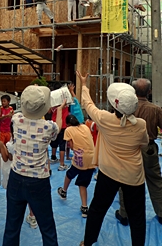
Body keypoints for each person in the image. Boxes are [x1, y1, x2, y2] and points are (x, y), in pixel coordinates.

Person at [76, 71, 149, 246]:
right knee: (137, 217)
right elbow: (144, 143)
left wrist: (84, 85)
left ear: (115, 106)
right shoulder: (140, 125)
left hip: (108, 172)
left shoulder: (104, 119)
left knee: (97, 210)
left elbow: (88, 104)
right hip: (133, 176)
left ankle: (88, 242)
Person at [2, 85, 65, 246]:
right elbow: (57, 127)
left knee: (11, 227)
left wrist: (33, 93)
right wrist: (60, 109)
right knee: (47, 228)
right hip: (38, 181)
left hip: (16, 178)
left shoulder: (16, 119)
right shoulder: (48, 127)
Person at [115, 78, 162, 226]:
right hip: (148, 148)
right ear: (149, 91)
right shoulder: (155, 109)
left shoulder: (124, 109)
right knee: (155, 181)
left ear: (133, 91)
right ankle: (161, 213)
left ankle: (125, 214)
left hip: (128, 149)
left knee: (125, 181)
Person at [57, 114, 95, 218]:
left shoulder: (68, 130)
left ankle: (64, 191)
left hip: (80, 158)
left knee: (70, 173)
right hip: (92, 158)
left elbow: (71, 146)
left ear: (68, 124)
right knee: (83, 184)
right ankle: (84, 207)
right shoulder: (85, 126)